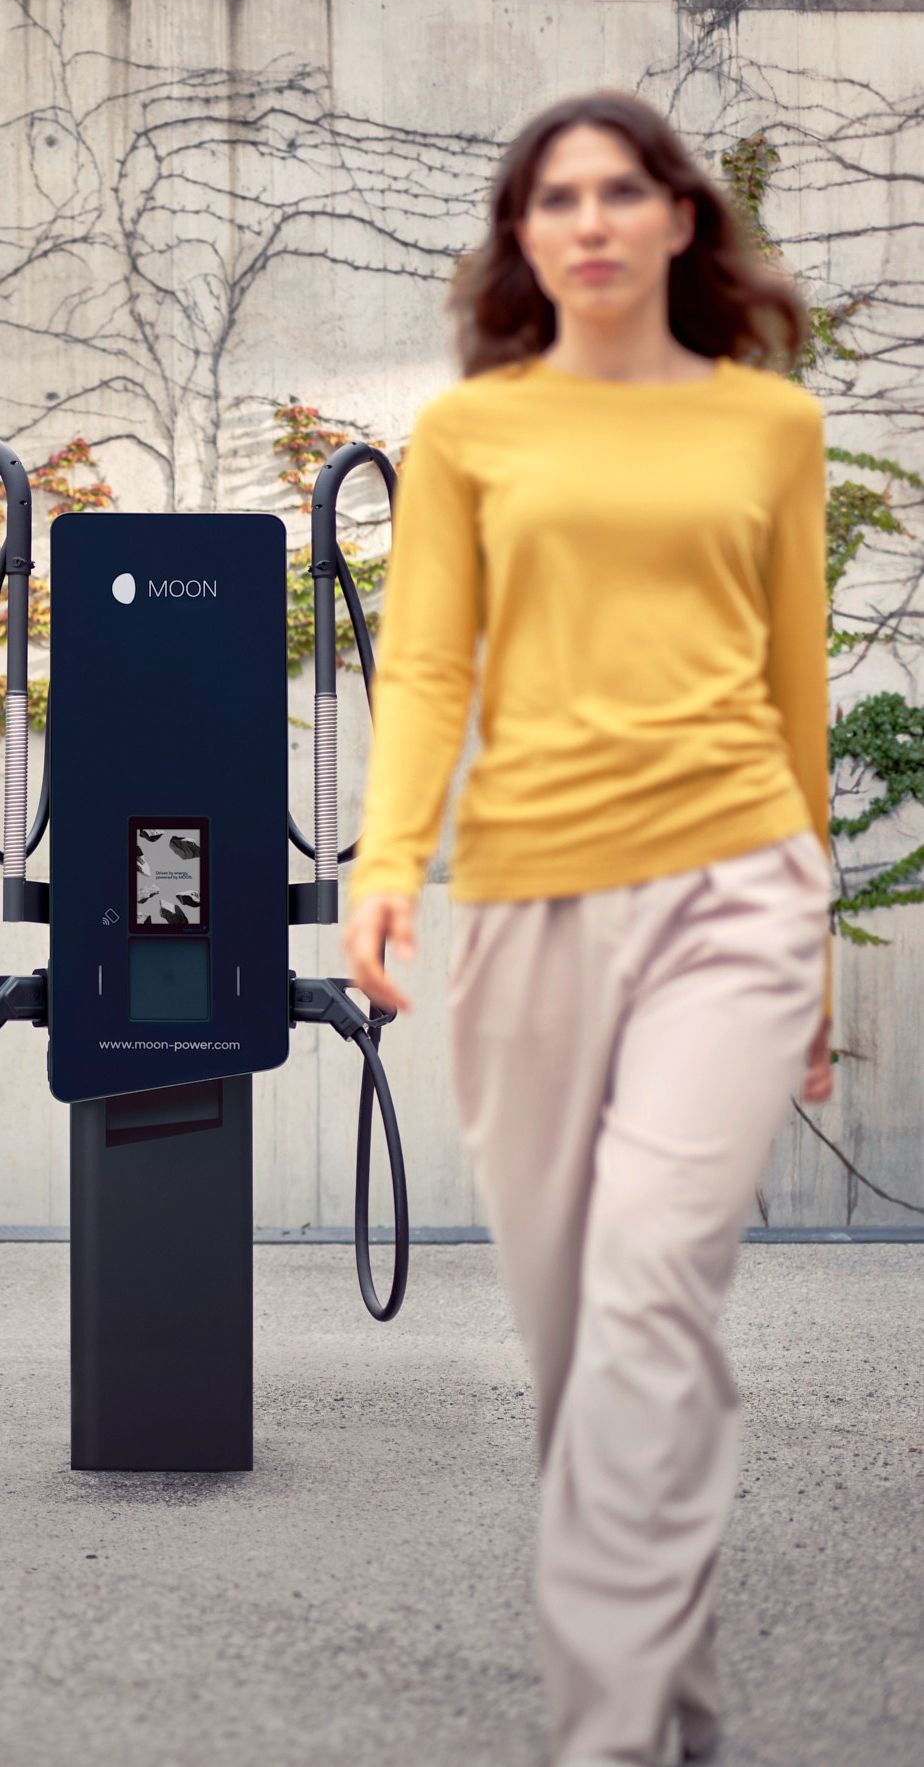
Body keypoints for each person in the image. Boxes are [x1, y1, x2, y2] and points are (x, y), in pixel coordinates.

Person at [342, 88, 833, 1767]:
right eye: (557, 199)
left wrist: (813, 960)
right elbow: (427, 666)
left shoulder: (768, 427)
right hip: (529, 898)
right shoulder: (473, 435)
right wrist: (387, 861)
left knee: (644, 1293)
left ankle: (607, 1738)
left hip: (736, 886)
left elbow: (793, 686)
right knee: (575, 1342)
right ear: (524, 238)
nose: (593, 221)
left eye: (624, 190)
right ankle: (668, 1689)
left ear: (681, 219)